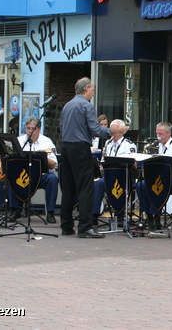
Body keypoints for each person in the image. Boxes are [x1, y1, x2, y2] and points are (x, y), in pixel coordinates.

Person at [60, 77, 110, 238]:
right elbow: (96, 130)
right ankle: (85, 226)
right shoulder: (86, 105)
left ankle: (66, 225)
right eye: (93, 89)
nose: (93, 93)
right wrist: (112, 131)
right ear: (86, 88)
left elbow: (61, 127)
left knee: (68, 188)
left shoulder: (67, 105)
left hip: (66, 147)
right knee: (85, 187)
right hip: (80, 147)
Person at [8, 116, 59, 224]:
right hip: (23, 175)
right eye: (28, 128)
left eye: (33, 128)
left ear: (39, 129)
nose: (30, 131)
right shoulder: (19, 141)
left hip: (41, 175)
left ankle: (50, 212)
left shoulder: (47, 142)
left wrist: (43, 157)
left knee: (52, 179)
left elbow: (53, 164)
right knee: (11, 176)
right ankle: (14, 210)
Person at [137, 121, 172, 229]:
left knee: (160, 186)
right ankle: (149, 216)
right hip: (159, 178)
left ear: (169, 133)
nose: (158, 136)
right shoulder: (158, 146)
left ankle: (156, 218)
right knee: (141, 186)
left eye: (161, 134)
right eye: (157, 133)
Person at [93, 119, 137, 225]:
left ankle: (120, 214)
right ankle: (94, 214)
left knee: (120, 183)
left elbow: (132, 163)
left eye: (114, 129)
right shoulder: (108, 143)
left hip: (123, 177)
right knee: (98, 183)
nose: (111, 131)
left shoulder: (129, 145)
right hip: (109, 176)